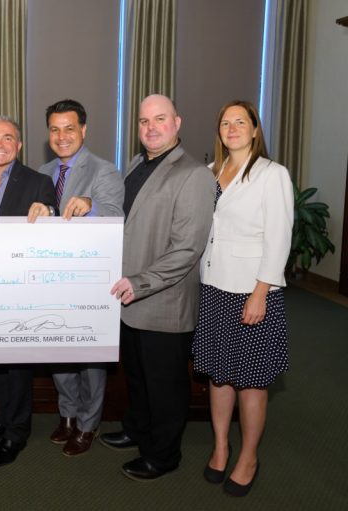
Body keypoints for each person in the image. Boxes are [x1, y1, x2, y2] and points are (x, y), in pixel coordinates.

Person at [103, 94, 214, 481]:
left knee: (164, 385)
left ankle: (163, 454)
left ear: (177, 123)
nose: (151, 127)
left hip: (163, 302)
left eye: (160, 119)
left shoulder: (195, 175)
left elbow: (187, 249)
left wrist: (141, 282)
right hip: (130, 300)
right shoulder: (138, 164)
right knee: (136, 376)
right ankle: (137, 430)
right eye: (144, 120)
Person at [192, 100, 293, 497]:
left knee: (252, 380)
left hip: (252, 292)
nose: (231, 128)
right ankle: (220, 446)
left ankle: (248, 456)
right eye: (225, 123)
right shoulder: (209, 173)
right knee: (219, 374)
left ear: (255, 130)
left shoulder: (272, 175)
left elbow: (279, 238)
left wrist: (261, 292)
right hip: (213, 285)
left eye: (240, 122)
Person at [33, 99, 124, 457]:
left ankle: (88, 423)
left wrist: (92, 206)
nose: (62, 136)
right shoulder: (43, 171)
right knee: (58, 352)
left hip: (90, 280)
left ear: (83, 130)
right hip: (52, 279)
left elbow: (116, 216)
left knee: (89, 359)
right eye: (54, 129)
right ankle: (67, 415)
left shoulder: (105, 171)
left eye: (69, 128)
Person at [0, 116, 56, 467]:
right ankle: (2, 419)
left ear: (19, 145)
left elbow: (54, 215)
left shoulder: (38, 182)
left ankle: (16, 433)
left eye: (7, 138)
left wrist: (48, 211)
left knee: (17, 365)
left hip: (20, 290)